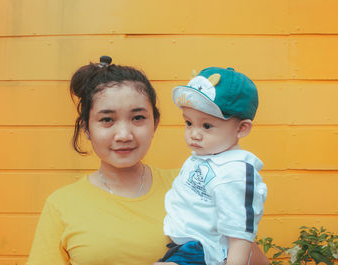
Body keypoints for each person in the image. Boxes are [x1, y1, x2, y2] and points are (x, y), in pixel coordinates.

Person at [26, 57, 270, 265]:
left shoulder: (193, 184)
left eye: (138, 117)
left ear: (155, 122)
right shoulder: (61, 205)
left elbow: (249, 253)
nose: (124, 135)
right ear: (87, 128)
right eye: (107, 120)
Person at [158, 67, 268, 265]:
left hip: (205, 252)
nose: (194, 134)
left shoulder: (235, 173)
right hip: (184, 248)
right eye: (189, 123)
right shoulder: (207, 156)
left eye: (206, 126)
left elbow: (240, 234)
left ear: (241, 128)